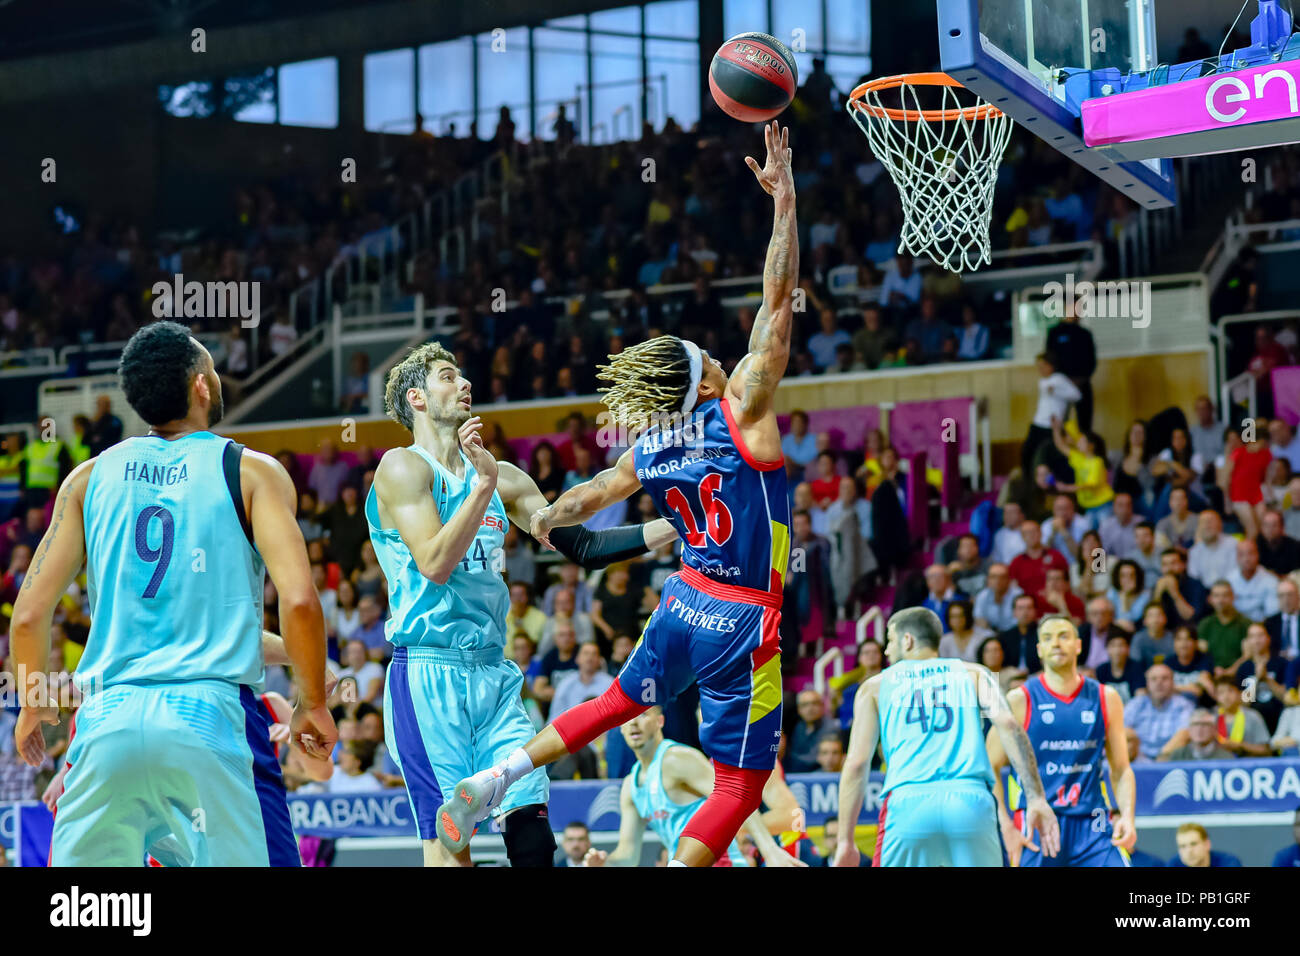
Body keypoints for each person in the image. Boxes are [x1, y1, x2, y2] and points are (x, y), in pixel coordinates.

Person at [438, 121, 800, 867]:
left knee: (615, 705)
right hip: (741, 616)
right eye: (717, 361)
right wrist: (785, 202)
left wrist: (532, 511)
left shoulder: (651, 444)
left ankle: (496, 777)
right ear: (706, 382)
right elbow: (778, 299)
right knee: (740, 782)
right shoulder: (743, 414)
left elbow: (581, 500)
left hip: (683, 597)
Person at [10, 321, 335, 866]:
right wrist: (314, 704)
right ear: (202, 386)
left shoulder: (87, 479)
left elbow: (27, 616)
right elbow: (300, 601)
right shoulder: (252, 472)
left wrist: (29, 703)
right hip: (210, 718)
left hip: (106, 720)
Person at [366, 342, 676, 867]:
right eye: (448, 376)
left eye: (463, 375)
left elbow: (584, 547)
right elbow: (435, 563)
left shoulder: (506, 477)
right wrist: (480, 488)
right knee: (448, 848)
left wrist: (687, 528)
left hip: (492, 672)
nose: (464, 383)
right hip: (425, 674)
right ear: (417, 398)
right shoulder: (403, 468)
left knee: (530, 825)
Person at [832, 607, 1059, 867]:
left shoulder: (874, 686)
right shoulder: (974, 673)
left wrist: (845, 841)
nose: (886, 651)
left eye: (890, 641)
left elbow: (857, 764)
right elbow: (1009, 725)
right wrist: (1036, 797)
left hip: (908, 803)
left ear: (908, 640)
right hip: (969, 801)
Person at [989, 615, 1135, 867]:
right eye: (1047, 638)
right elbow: (988, 767)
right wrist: (1005, 826)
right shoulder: (1020, 699)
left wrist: (1128, 817)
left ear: (1078, 645)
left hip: (1094, 820)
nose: (1056, 643)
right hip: (1037, 819)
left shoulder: (1105, 697)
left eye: (1063, 636)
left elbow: (1121, 769)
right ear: (1039, 650)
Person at [583, 708, 800, 867]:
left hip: (722, 862)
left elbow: (735, 798)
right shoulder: (630, 784)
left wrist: (769, 850)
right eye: (627, 718)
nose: (633, 723)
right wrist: (605, 863)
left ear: (660, 721)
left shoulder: (678, 759)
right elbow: (628, 855)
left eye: (642, 715)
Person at [1023, 353, 1080, 479]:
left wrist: (1056, 391)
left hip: (1051, 426)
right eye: (1039, 367)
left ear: (1052, 366)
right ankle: (1031, 480)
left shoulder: (1059, 379)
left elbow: (1077, 395)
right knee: (1028, 454)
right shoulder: (1043, 381)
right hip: (1038, 423)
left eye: (1043, 366)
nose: (1040, 370)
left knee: (1048, 455)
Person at [1044, 297, 1097, 432]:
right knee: (1060, 422)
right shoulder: (1054, 332)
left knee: (1085, 424)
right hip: (1061, 384)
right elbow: (1049, 359)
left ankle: (1085, 448)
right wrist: (1061, 381)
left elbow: (1091, 361)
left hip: (1081, 383)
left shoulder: (1085, 334)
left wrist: (1080, 380)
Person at [1125, 664, 1194, 759]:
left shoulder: (1183, 705)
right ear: (1147, 683)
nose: (1159, 683)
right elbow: (1121, 729)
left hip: (1170, 760)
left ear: (1173, 682)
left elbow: (1184, 734)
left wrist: (1163, 756)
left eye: (1164, 678)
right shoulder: (1136, 704)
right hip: (1137, 758)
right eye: (1154, 679)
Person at [1197, 581, 1251, 676]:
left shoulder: (1246, 624)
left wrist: (1230, 671)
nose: (1220, 600)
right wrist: (1213, 670)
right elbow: (1200, 654)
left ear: (1233, 597)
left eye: (1225, 595)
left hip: (1239, 676)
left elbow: (1248, 655)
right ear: (1210, 599)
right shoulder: (1205, 625)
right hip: (1211, 675)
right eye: (1216, 596)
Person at [1225, 538, 1280, 622]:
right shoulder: (1228, 581)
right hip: (1234, 626)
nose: (1246, 559)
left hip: (1262, 627)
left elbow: (1272, 613)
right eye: (1241, 554)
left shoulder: (1271, 581)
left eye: (1250, 553)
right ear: (1236, 557)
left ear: (1258, 555)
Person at [1158, 709, 1235, 761]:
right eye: (1195, 724)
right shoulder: (1178, 755)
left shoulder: (1225, 758)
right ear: (1189, 729)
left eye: (1205, 724)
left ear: (1214, 729)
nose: (1199, 729)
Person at [1096, 633, 1146, 702]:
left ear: (1128, 649)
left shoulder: (1136, 668)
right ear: (1107, 649)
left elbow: (1141, 696)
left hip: (1131, 710)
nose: (1117, 650)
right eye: (1113, 646)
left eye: (1121, 645)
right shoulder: (1101, 670)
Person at [973, 563, 1021, 633]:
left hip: (1014, 634)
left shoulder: (1018, 596)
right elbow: (979, 619)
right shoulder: (982, 596)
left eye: (1002, 577)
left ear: (1009, 580)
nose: (998, 581)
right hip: (990, 636)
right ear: (988, 580)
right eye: (993, 577)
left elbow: (1020, 621)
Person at [1169, 822, 1242, 868]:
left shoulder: (1228, 862)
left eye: (1193, 844)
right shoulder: (1173, 864)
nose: (1189, 851)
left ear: (1207, 844)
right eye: (1183, 846)